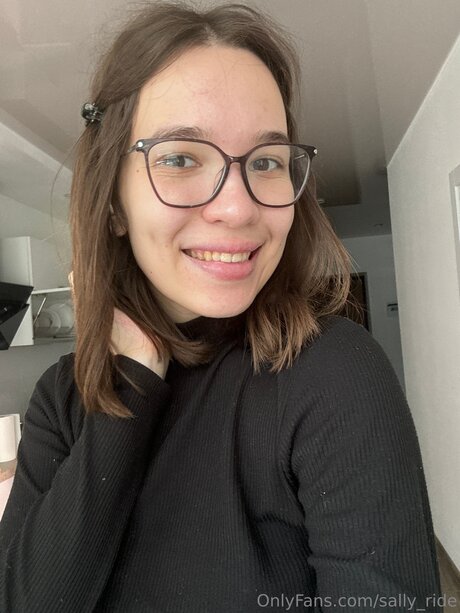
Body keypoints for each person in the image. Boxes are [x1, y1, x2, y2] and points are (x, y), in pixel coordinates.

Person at [0, 3, 443, 612]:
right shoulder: (62, 399)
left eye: (266, 162)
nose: (238, 208)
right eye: (180, 158)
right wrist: (132, 380)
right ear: (114, 204)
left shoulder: (332, 373)